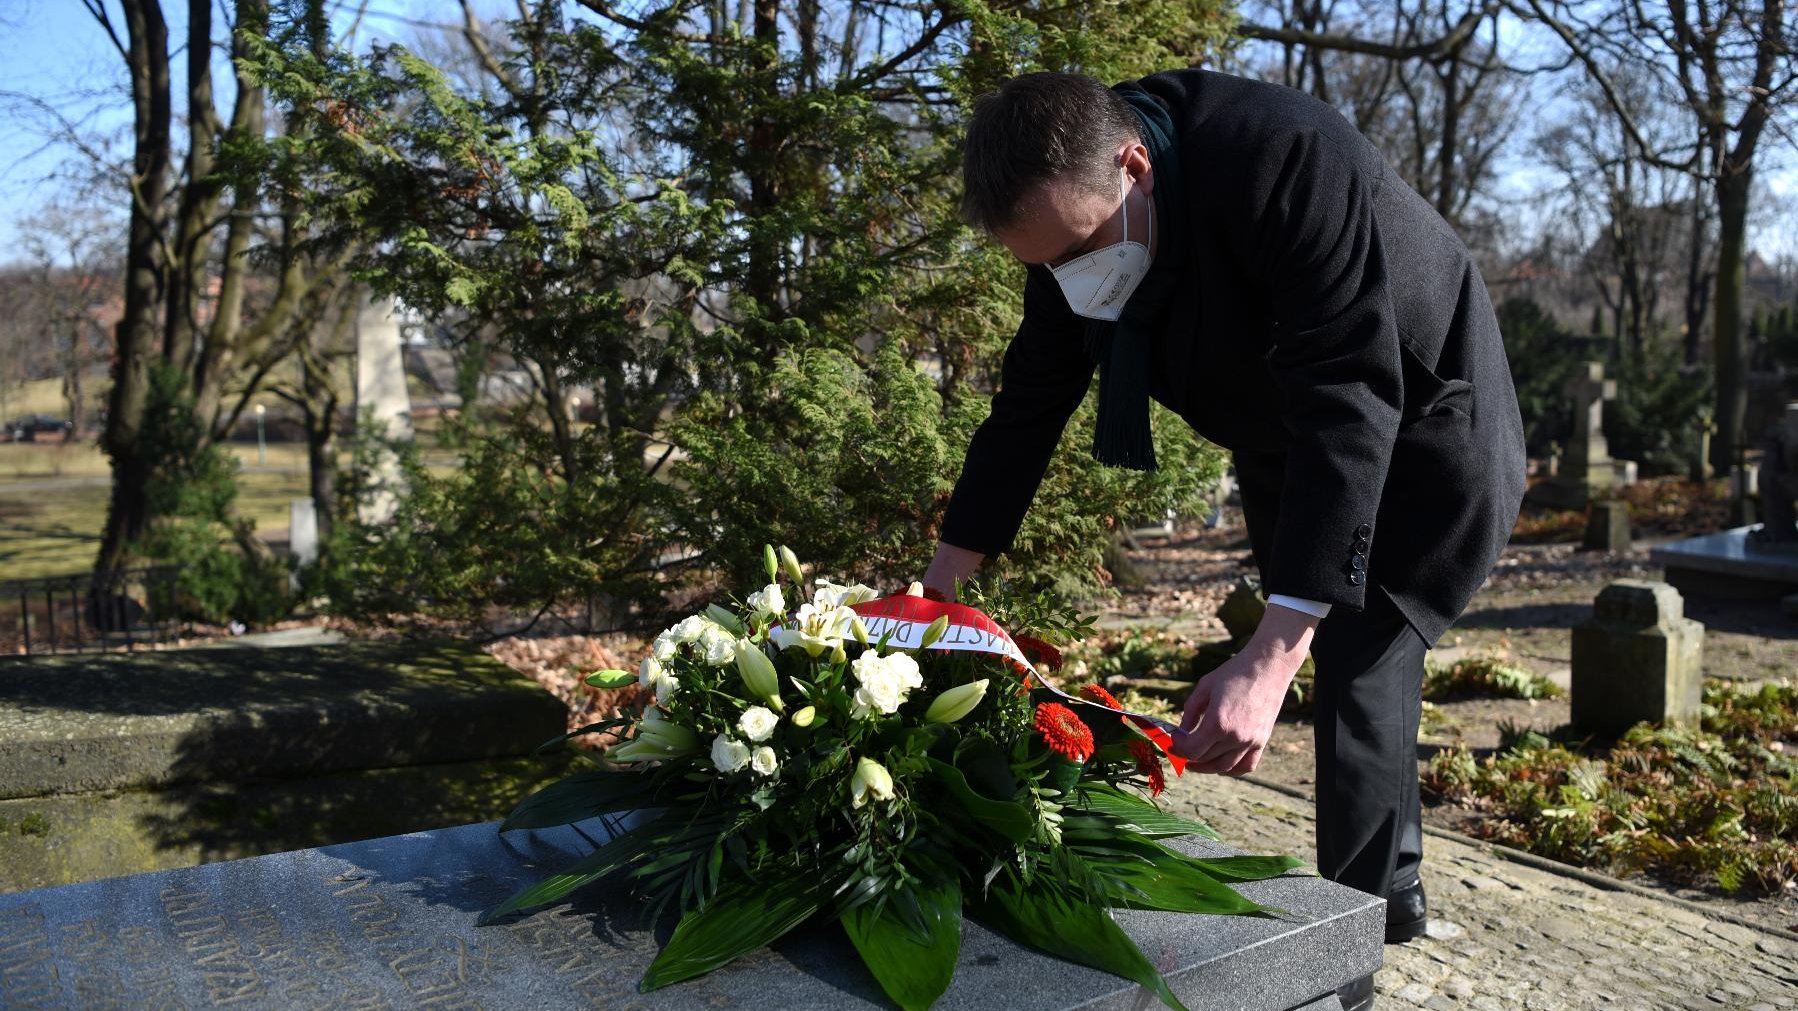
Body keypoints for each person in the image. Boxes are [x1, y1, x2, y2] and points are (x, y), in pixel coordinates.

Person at [919, 69, 1526, 1011]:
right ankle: (1393, 894)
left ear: (1135, 167)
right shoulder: (1068, 221)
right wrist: (942, 587)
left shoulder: (1284, 156)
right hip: (1288, 428)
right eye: (1040, 267)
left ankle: (1344, 957)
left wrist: (1273, 653)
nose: (1067, 281)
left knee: (1360, 661)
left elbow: (1352, 395)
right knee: (1339, 641)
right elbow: (1030, 402)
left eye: (1076, 252)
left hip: (1415, 411)